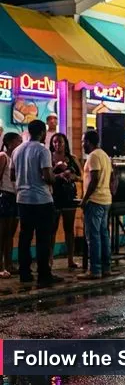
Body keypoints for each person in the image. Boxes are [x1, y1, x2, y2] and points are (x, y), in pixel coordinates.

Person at [11, 120, 61, 287]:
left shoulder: (17, 150)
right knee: (43, 239)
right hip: (41, 200)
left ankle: (25, 273)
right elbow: (47, 176)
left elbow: (12, 175)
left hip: (22, 199)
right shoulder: (42, 150)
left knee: (25, 237)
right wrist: (57, 178)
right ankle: (43, 275)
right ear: (41, 133)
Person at [78, 130, 113, 280]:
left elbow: (95, 179)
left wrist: (85, 199)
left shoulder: (93, 156)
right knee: (103, 235)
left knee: (93, 237)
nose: (82, 144)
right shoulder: (104, 155)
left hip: (95, 200)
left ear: (88, 142)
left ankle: (95, 270)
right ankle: (106, 268)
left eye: (83, 141)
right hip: (105, 199)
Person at [49, 133, 81, 270]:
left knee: (69, 228)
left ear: (65, 143)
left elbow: (80, 176)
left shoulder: (72, 158)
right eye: (55, 142)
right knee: (52, 229)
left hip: (69, 195)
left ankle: (70, 259)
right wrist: (59, 174)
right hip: (54, 196)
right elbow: (45, 176)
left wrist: (71, 175)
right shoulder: (48, 157)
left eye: (60, 142)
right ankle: (49, 259)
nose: (57, 145)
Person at [0, 132, 21, 279]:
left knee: (10, 233)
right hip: (5, 195)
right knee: (2, 233)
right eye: (18, 142)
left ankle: (9, 263)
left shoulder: (16, 159)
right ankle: (1, 266)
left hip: (15, 196)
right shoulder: (3, 156)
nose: (21, 144)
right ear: (10, 143)